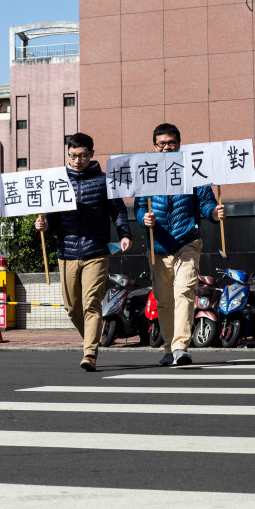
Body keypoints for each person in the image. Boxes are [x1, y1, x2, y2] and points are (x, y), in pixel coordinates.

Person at [35, 133, 132, 372]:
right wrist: (45, 225)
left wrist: (124, 234)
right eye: (72, 156)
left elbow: (118, 212)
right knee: (71, 306)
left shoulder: (104, 181)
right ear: (68, 154)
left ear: (92, 154)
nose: (77, 160)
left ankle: (89, 353)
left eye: (82, 156)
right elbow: (53, 218)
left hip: (95, 251)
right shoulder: (57, 181)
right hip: (65, 252)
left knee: (91, 303)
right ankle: (92, 336)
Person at [134, 123, 225, 367]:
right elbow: (140, 205)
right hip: (158, 245)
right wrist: (144, 217)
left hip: (187, 241)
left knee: (184, 292)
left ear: (179, 144)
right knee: (164, 300)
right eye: (161, 143)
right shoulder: (148, 172)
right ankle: (168, 346)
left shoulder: (194, 168)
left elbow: (205, 201)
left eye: (171, 142)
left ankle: (180, 347)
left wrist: (213, 213)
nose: (166, 147)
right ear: (155, 146)